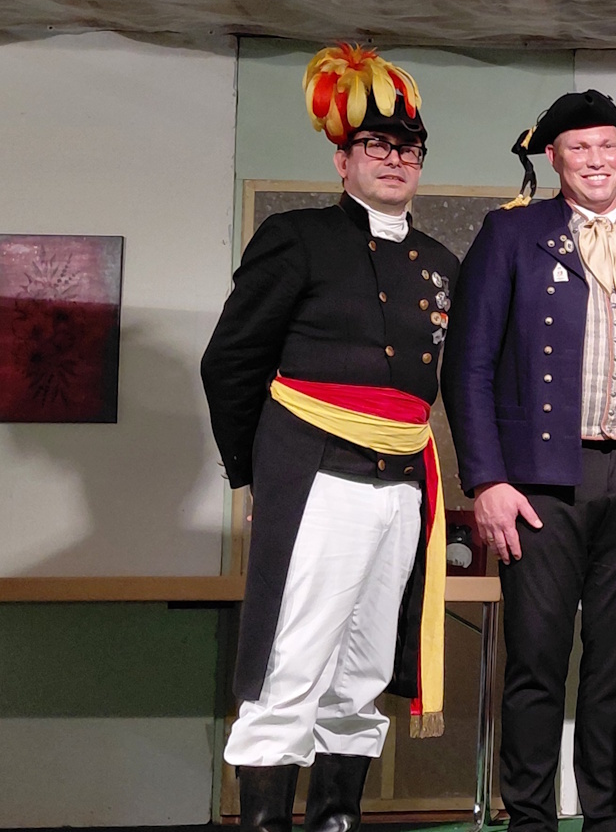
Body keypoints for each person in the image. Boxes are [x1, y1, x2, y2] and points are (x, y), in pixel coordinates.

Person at [202, 43, 455, 832]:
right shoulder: (297, 237)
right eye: (376, 145)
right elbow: (231, 361)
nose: (395, 158)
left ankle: (336, 818)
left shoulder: (439, 262)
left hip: (402, 485)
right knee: (293, 660)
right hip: (316, 474)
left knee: (364, 667)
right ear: (342, 159)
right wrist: (257, 475)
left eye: (408, 148)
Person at [441, 90, 616, 832]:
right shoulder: (512, 234)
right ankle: (530, 820)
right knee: (537, 662)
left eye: (607, 145)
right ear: (553, 157)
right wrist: (487, 479)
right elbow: (468, 364)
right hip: (540, 482)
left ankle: (607, 819)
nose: (596, 159)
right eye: (579, 147)